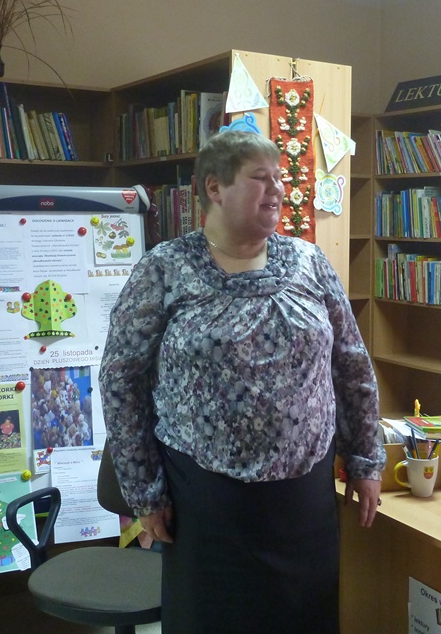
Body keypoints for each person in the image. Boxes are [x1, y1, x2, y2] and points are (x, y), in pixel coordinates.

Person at [99, 129, 386, 632]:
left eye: (279, 177)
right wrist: (145, 493)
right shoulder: (165, 269)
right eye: (260, 178)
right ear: (215, 187)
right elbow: (121, 382)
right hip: (205, 505)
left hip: (304, 504)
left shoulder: (308, 262)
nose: (277, 189)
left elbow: (351, 364)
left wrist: (365, 458)